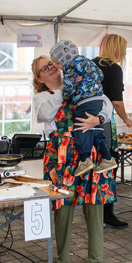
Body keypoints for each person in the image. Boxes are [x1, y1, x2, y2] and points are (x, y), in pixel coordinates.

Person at [32, 55, 116, 263]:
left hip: (89, 151)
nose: (50, 68)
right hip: (61, 156)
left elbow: (106, 104)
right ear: (39, 78)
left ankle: (95, 260)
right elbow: (45, 114)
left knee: (94, 205)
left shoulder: (83, 84)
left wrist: (99, 119)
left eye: (51, 63)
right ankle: (61, 260)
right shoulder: (42, 97)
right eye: (44, 68)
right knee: (62, 208)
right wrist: (65, 87)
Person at [49, 40, 117, 176]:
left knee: (80, 128)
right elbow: (100, 74)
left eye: (57, 63)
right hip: (97, 100)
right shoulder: (87, 61)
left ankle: (85, 159)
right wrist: (90, 82)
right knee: (96, 130)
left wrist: (70, 91)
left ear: (64, 59)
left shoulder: (70, 67)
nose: (57, 66)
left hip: (85, 102)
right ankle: (107, 158)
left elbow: (67, 89)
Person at [93, 34, 132, 229]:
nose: (125, 53)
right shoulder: (114, 68)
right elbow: (117, 102)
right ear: (118, 49)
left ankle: (94, 212)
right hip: (104, 123)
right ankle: (106, 214)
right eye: (124, 49)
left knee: (93, 165)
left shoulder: (91, 63)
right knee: (109, 164)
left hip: (86, 122)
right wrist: (126, 119)